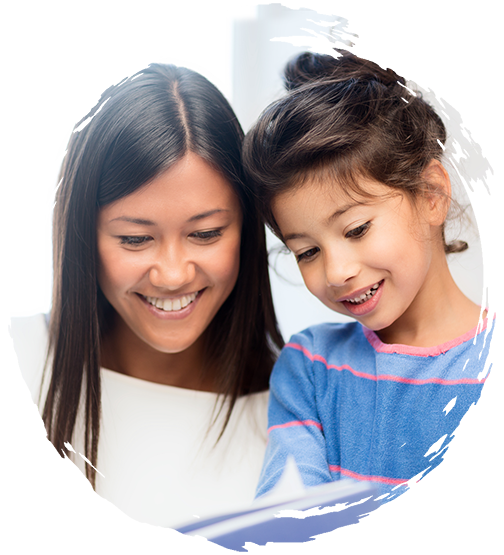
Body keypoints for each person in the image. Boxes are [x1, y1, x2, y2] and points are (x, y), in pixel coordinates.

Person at [8, 63, 284, 528]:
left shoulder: (297, 408)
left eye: (206, 233)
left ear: (248, 230)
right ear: (83, 235)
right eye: (135, 239)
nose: (173, 275)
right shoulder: (21, 362)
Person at [242, 52, 499, 504]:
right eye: (307, 252)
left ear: (431, 194)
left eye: (357, 229)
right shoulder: (312, 369)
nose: (338, 271)